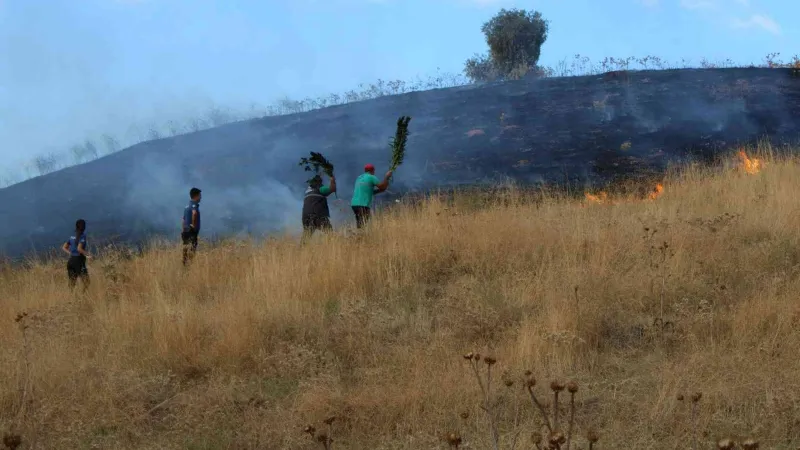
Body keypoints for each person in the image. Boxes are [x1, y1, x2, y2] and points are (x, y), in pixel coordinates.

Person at [350, 163, 392, 228]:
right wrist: (387, 177)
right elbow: (382, 187)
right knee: (363, 224)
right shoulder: (371, 177)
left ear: (365, 170)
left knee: (360, 223)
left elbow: (369, 191)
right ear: (372, 170)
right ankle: (361, 237)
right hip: (363, 204)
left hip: (354, 204)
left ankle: (359, 236)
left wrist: (380, 190)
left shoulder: (359, 178)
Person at [302, 173, 336, 241]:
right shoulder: (320, 188)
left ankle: (301, 249)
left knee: (306, 236)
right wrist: (332, 180)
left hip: (305, 217)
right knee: (330, 233)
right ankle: (333, 248)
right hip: (317, 216)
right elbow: (332, 189)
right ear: (319, 182)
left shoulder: (307, 191)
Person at [61, 219, 91, 291]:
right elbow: (79, 249)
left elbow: (64, 247)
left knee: (72, 283)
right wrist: (88, 255)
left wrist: (71, 253)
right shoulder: (82, 235)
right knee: (87, 282)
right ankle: (83, 297)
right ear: (84, 227)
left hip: (71, 261)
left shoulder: (72, 235)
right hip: (78, 261)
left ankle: (72, 298)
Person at [181, 187, 202, 266]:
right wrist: (193, 225)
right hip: (192, 232)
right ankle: (189, 266)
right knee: (192, 249)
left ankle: (184, 266)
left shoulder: (186, 206)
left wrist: (183, 230)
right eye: (200, 195)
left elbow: (183, 219)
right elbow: (194, 213)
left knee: (185, 250)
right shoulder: (194, 204)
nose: (200, 197)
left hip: (186, 231)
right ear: (196, 196)